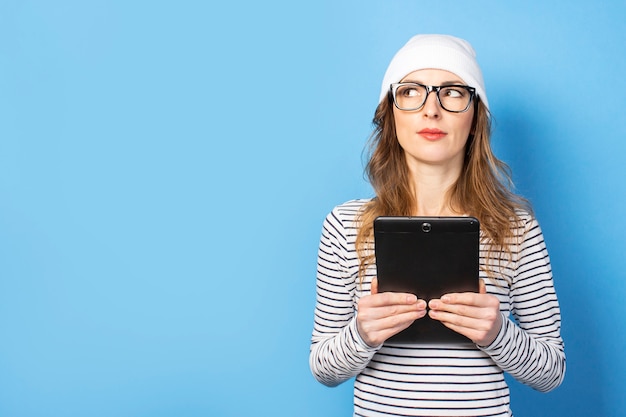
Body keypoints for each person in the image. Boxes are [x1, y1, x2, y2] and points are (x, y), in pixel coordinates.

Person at [309, 34, 565, 417]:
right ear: (390, 114)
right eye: (410, 92)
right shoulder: (345, 224)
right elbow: (323, 370)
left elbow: (551, 373)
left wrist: (497, 333)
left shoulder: (515, 227)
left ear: (475, 115)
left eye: (452, 93)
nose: (432, 109)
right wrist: (362, 335)